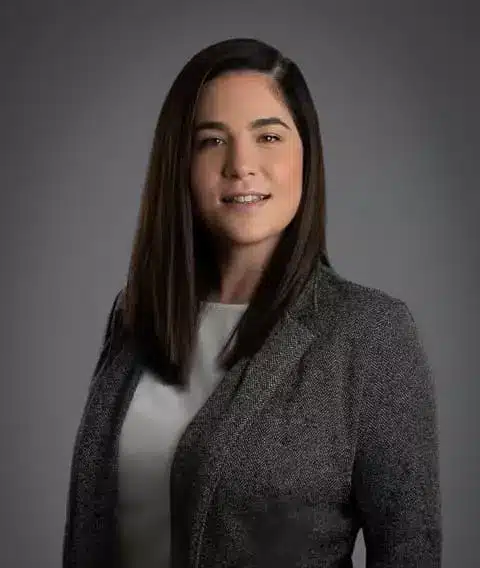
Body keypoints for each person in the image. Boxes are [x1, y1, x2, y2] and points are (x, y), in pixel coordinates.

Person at [62, 38, 442, 567]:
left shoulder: (370, 335)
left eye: (268, 136)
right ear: (180, 164)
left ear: (306, 153)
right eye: (212, 141)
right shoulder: (134, 314)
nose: (241, 165)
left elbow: (409, 552)